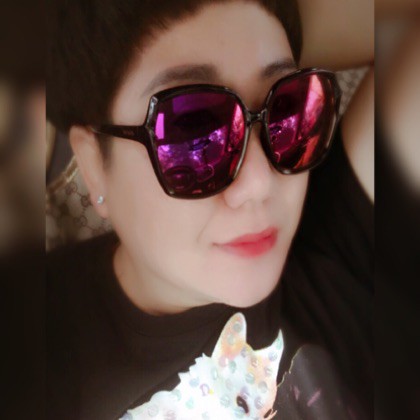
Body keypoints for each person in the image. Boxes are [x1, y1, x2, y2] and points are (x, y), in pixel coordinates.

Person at [47, 0, 373, 419]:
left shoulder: (331, 245)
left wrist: (276, 21)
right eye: (194, 131)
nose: (259, 183)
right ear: (94, 165)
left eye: (288, 108)